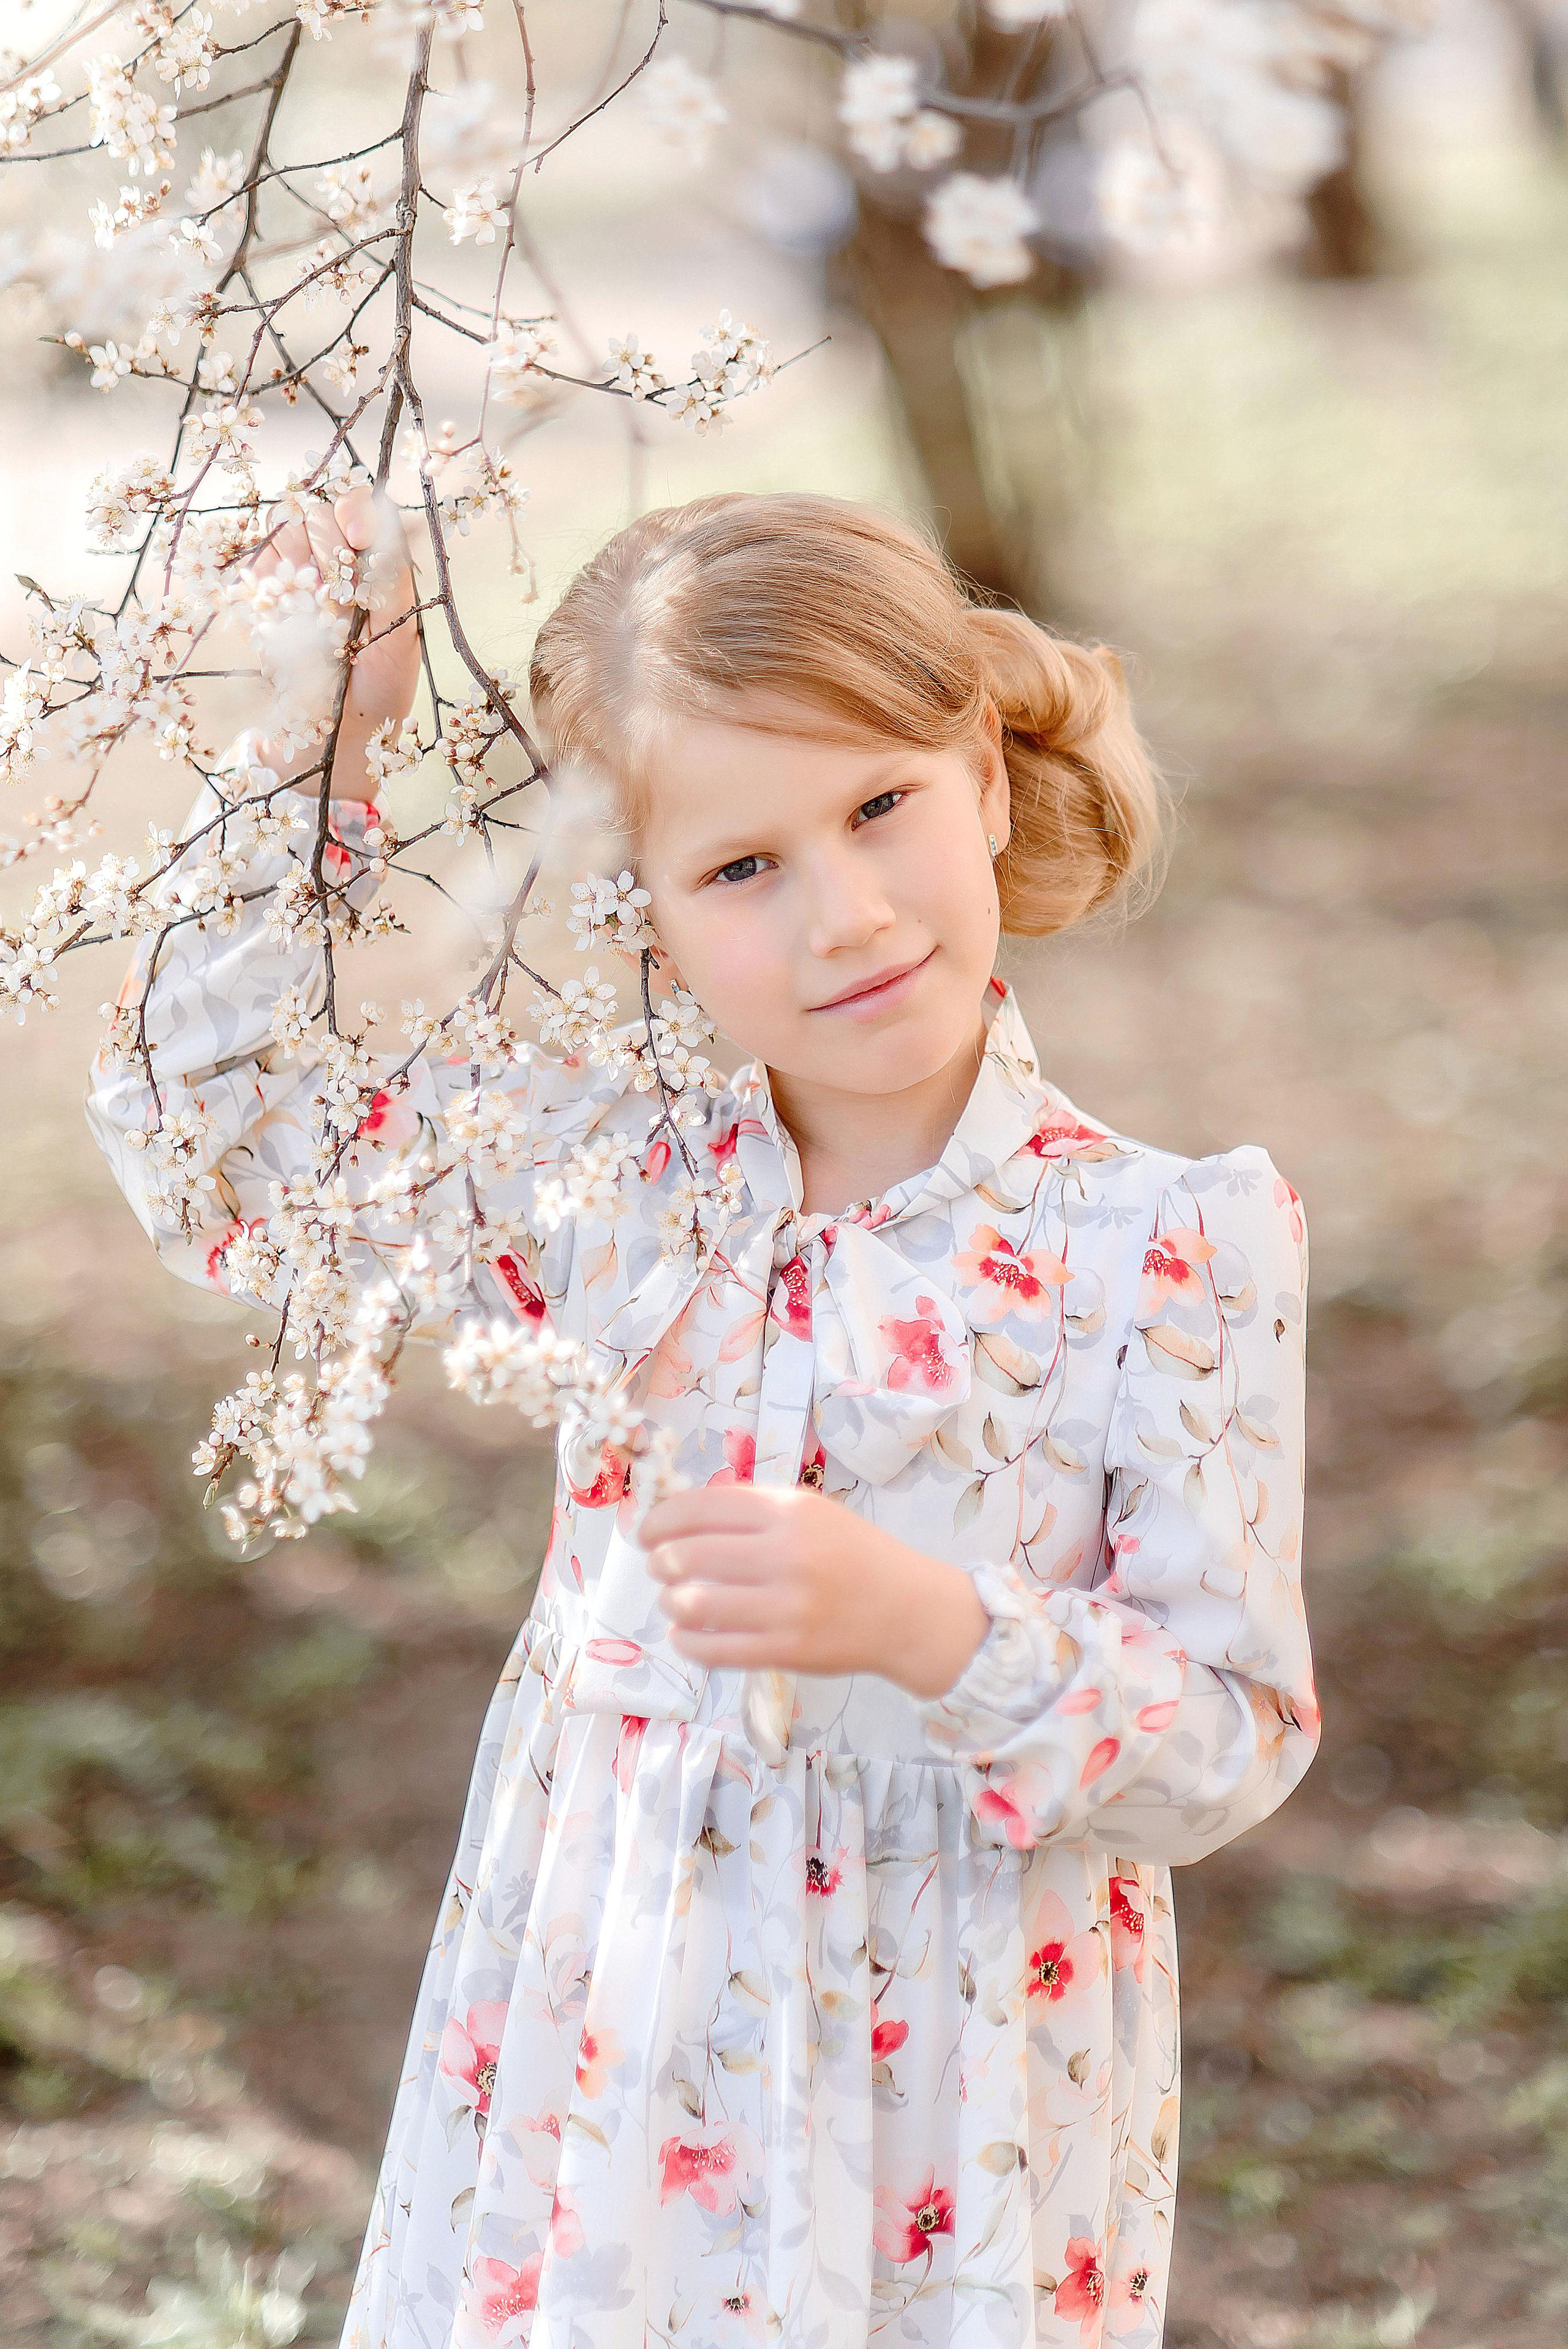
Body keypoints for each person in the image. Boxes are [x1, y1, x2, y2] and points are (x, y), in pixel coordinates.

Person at [86, 486, 1319, 2348]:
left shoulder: (1164, 1243)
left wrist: (930, 1625)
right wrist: (318, 738)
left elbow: (1228, 1740)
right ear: (643, 915)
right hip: (607, 2051)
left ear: (986, 778)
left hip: (957, 2101)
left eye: (881, 805)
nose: (848, 913)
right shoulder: (609, 1188)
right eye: (740, 867)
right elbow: (218, 1148)